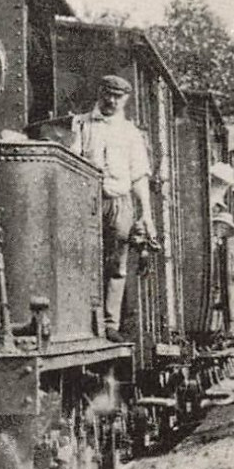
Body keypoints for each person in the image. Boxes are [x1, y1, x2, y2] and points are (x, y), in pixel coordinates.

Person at [69, 75, 158, 343]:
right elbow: (72, 161)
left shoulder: (130, 132)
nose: (111, 100)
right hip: (89, 199)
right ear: (100, 92)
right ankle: (81, 322)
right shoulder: (81, 124)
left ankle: (109, 323)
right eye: (107, 94)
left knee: (116, 264)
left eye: (117, 97)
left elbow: (139, 176)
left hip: (120, 201)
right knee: (83, 258)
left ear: (125, 100)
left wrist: (147, 215)